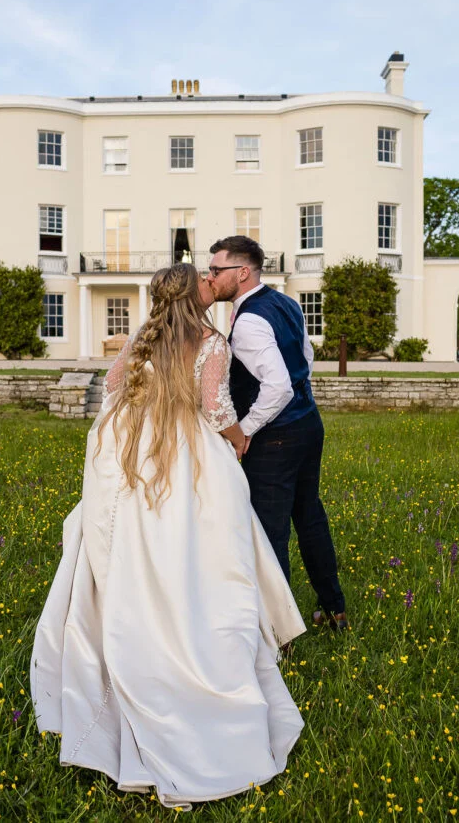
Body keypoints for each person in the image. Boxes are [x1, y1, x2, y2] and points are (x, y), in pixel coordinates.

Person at [30, 262, 306, 810]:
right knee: (200, 552)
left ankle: (138, 629)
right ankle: (193, 637)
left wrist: (140, 421)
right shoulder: (211, 342)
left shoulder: (143, 337)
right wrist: (239, 440)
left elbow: (113, 388)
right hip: (186, 454)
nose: (211, 281)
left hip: (136, 449)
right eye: (203, 279)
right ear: (191, 294)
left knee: (138, 550)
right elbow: (216, 407)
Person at [206, 235, 348, 631]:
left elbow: (278, 386)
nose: (211, 277)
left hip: (277, 436)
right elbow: (306, 357)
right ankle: (334, 609)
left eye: (217, 270)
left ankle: (278, 632)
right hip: (307, 425)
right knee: (310, 515)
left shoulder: (249, 319)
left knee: (270, 533)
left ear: (243, 272)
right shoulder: (285, 302)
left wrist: (245, 430)